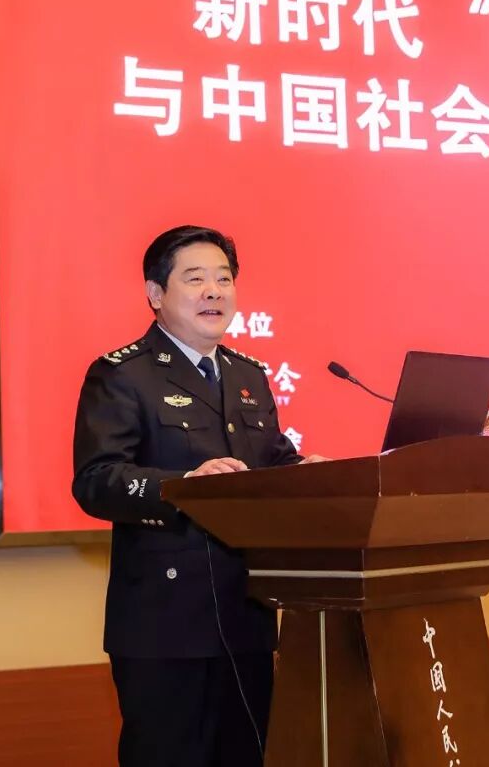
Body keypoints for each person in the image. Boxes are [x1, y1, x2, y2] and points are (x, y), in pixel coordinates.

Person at [72, 225, 323, 767]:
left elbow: (272, 462)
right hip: (164, 627)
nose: (214, 291)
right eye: (195, 279)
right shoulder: (122, 375)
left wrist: (312, 473)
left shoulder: (248, 376)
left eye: (223, 279)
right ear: (155, 293)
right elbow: (96, 480)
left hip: (247, 616)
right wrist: (184, 487)